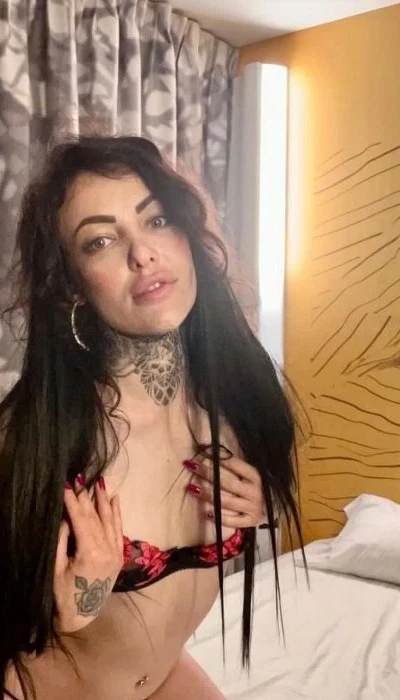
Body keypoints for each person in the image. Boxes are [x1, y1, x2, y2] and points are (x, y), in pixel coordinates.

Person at [0, 135, 302, 700]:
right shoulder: (38, 435)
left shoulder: (239, 403)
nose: (142, 253)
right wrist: (62, 608)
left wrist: (260, 507)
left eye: (158, 220)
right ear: (71, 285)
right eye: (101, 241)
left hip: (162, 678)